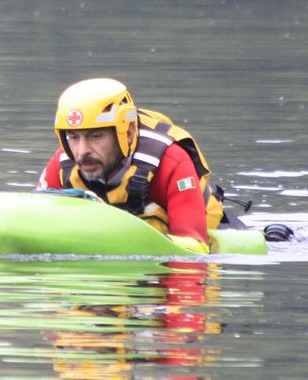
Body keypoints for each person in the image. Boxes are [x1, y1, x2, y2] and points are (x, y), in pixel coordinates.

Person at [38, 77, 230, 253]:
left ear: (127, 133)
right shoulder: (64, 164)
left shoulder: (171, 162)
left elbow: (193, 251)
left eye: (96, 136)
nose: (82, 151)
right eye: (73, 137)